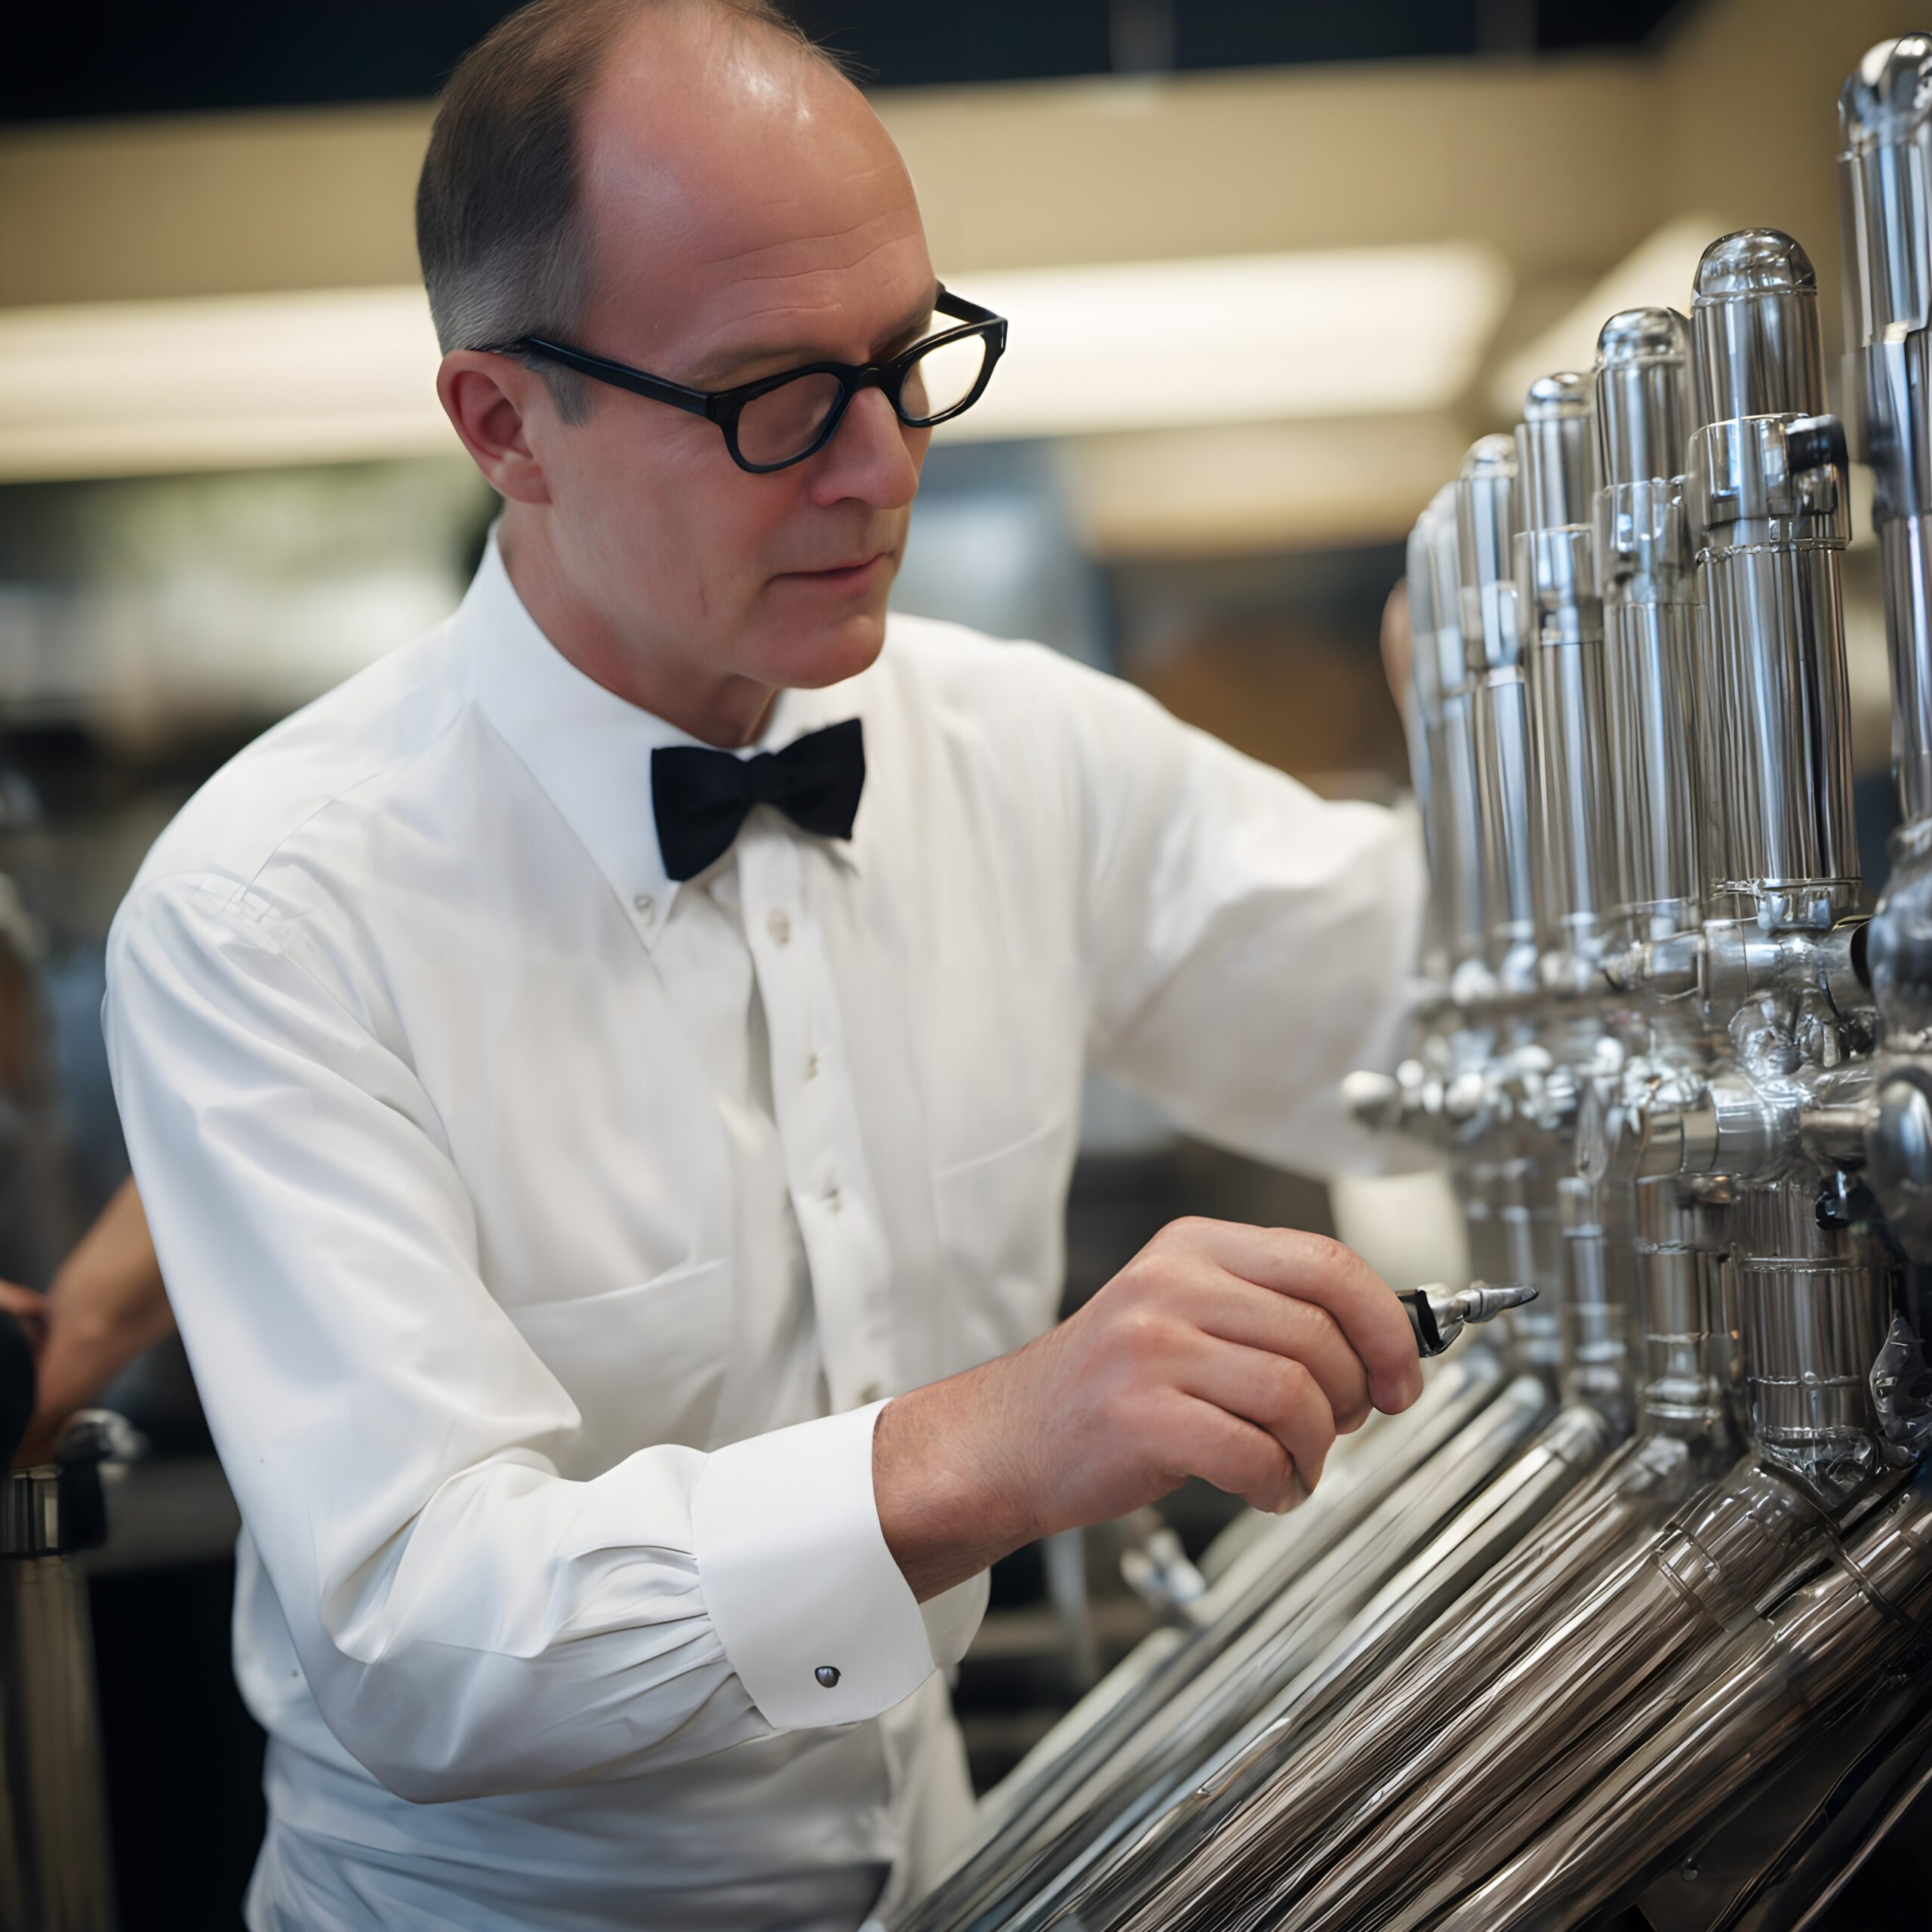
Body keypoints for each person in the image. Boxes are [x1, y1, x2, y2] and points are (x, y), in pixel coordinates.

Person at [102, 3, 1429, 1927]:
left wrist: (1549, 727)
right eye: (771, 396)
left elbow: (1440, 1009)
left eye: (904, 359)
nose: (881, 466)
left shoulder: (1021, 751)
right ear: (501, 422)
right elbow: (420, 1621)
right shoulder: (265, 908)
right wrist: (989, 1439)